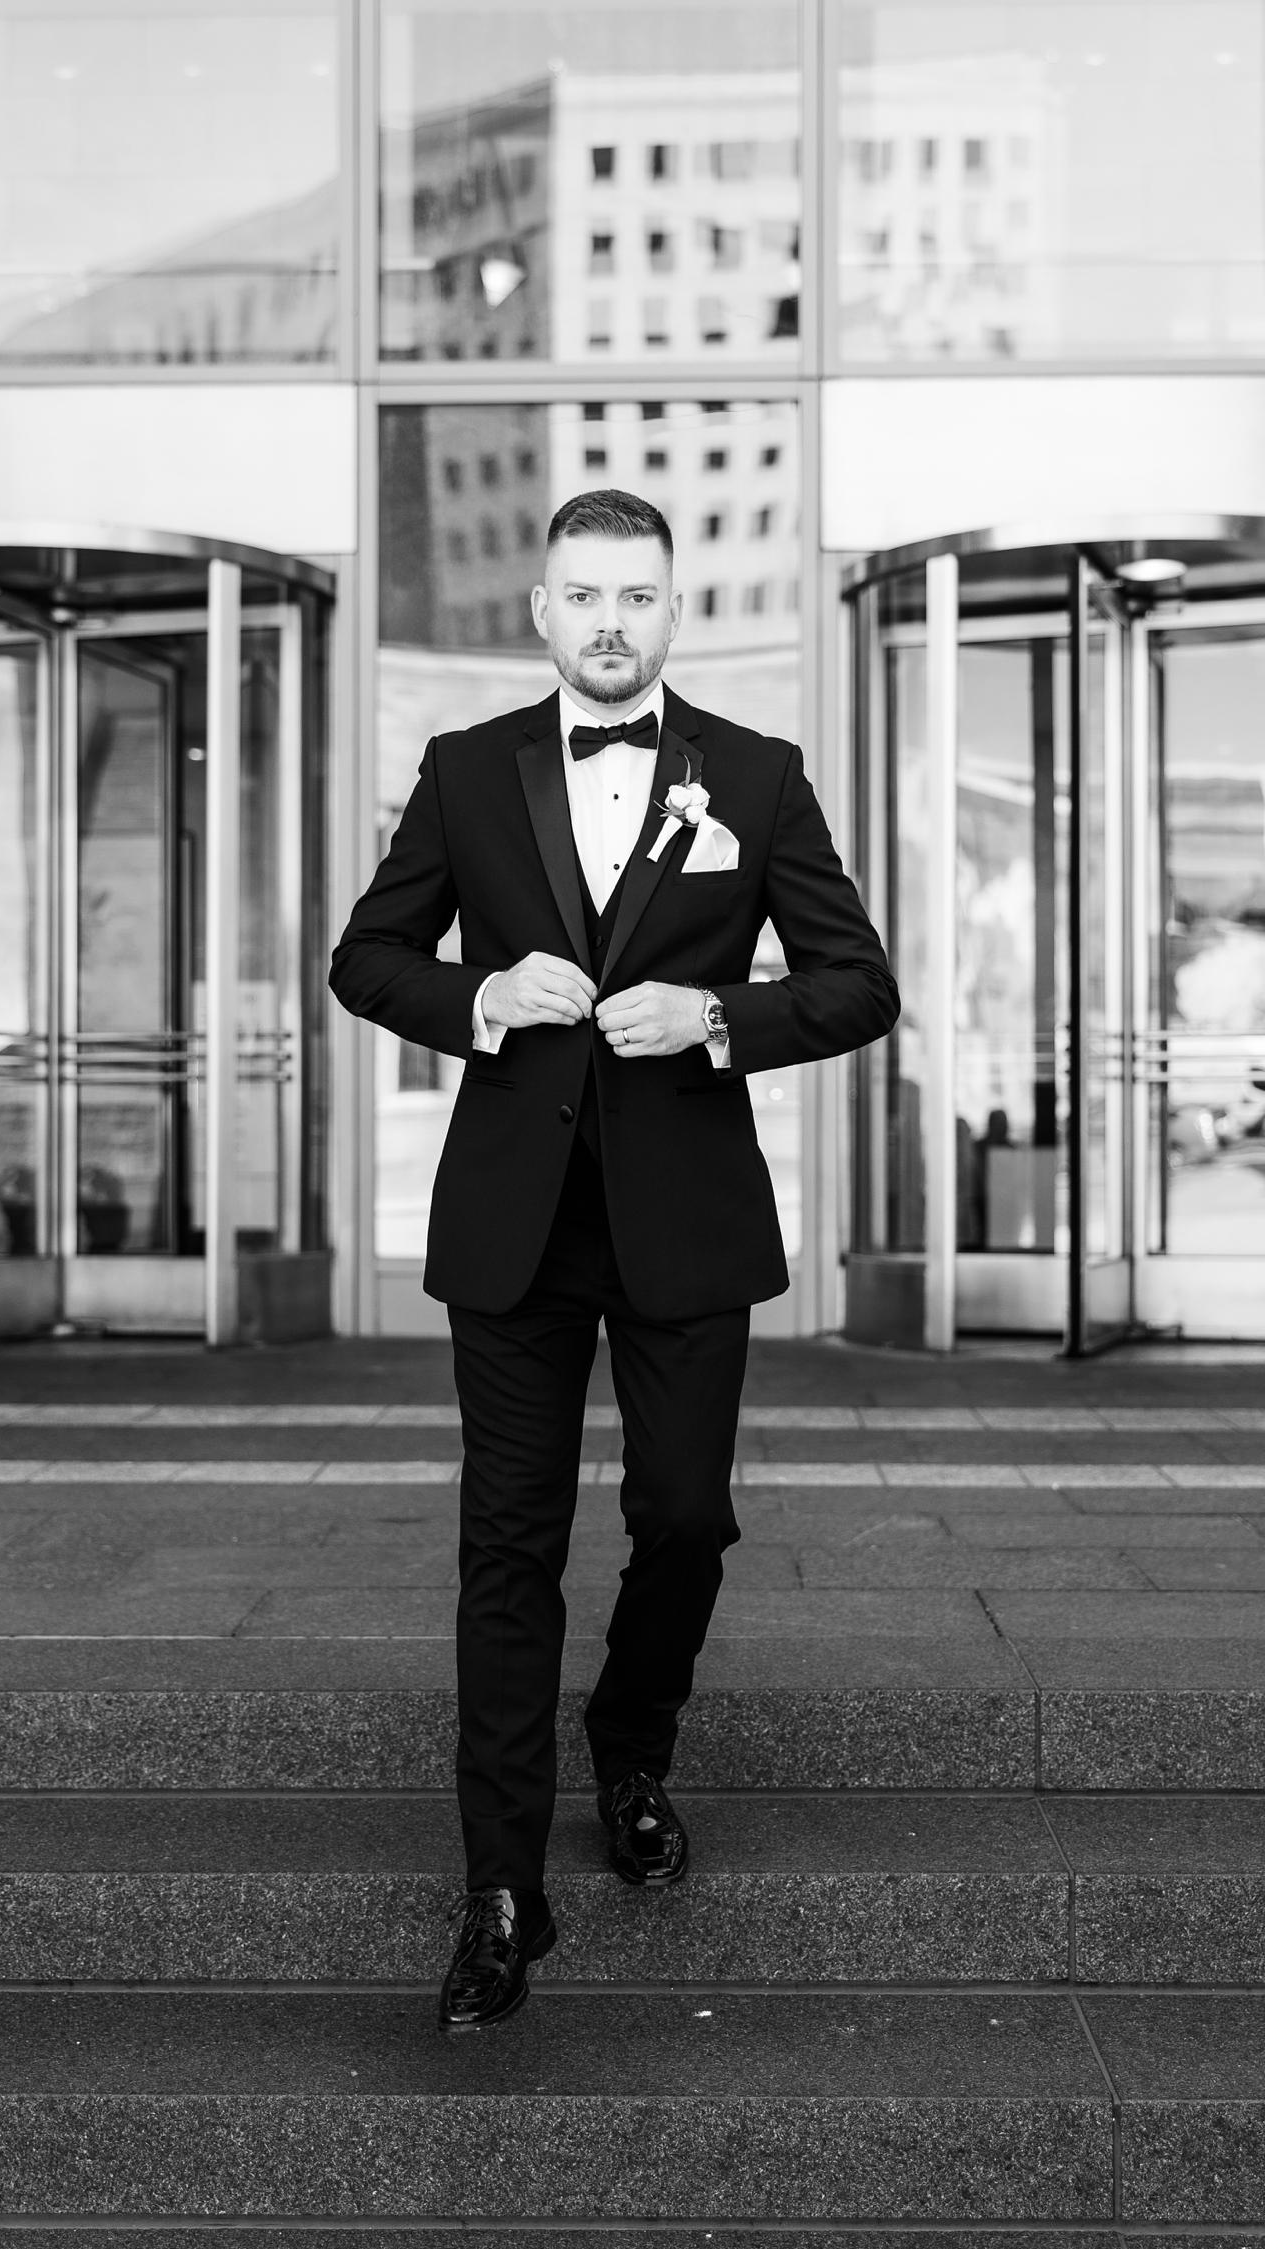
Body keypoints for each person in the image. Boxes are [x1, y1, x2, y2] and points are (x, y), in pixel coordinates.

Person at [331, 489, 898, 2032]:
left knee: (689, 1519)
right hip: (514, 1223)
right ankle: (501, 1894)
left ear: (672, 609)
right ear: (539, 608)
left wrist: (721, 1018)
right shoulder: (463, 772)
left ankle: (631, 1738)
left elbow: (859, 984)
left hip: (686, 1215)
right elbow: (364, 958)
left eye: (635, 597)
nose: (608, 622)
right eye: (582, 595)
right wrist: (483, 993)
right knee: (504, 1551)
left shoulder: (760, 778)